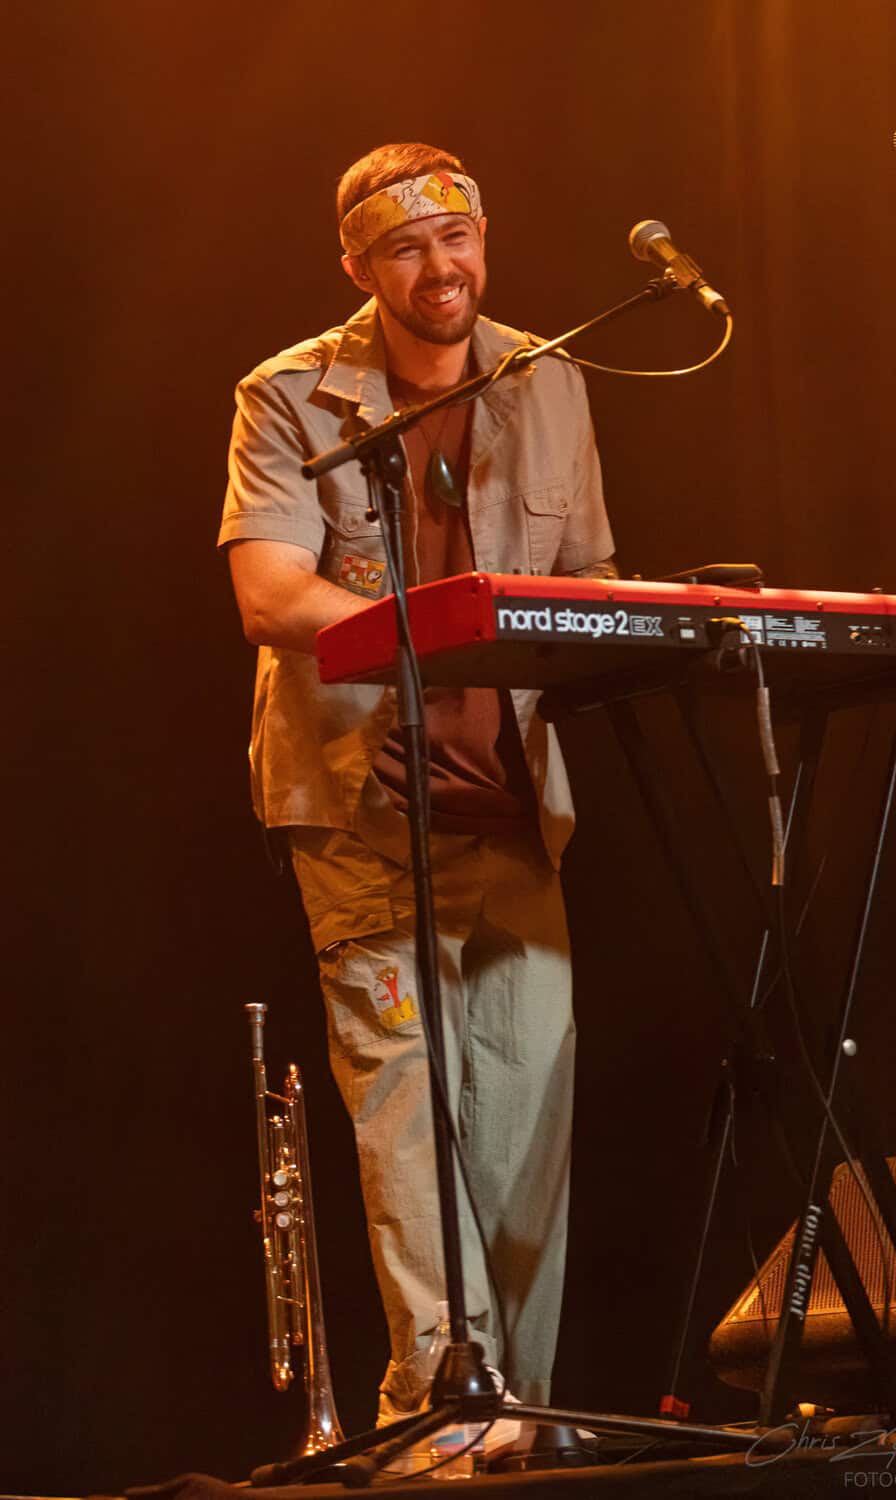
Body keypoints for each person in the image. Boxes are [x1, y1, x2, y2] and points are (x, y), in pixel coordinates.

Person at [219, 142, 617, 1434]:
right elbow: (271, 595)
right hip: (364, 812)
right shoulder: (290, 395)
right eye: (405, 248)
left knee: (524, 1136)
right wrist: (440, 637)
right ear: (358, 266)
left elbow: (587, 581)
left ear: (484, 240)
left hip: (514, 808)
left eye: (457, 239)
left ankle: (518, 1422)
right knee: (409, 1126)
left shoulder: (548, 377)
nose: (439, 267)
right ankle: (442, 1418)